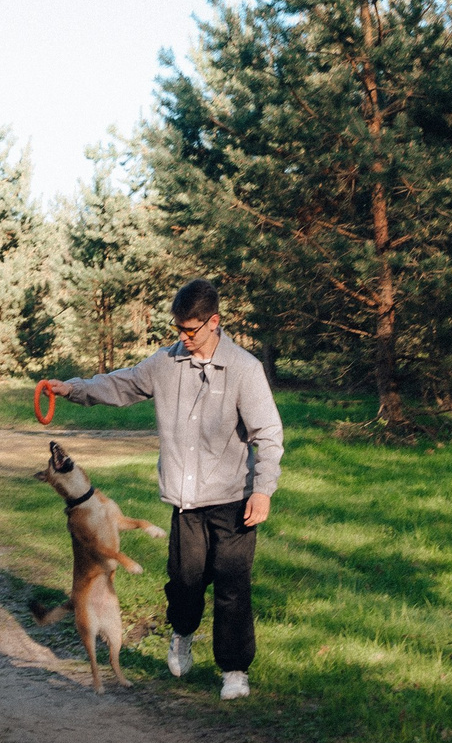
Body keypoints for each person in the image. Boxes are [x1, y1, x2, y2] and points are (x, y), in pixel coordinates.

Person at [51, 278, 283, 700]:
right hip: (186, 501)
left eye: (190, 330)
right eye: (178, 329)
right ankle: (182, 633)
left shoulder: (245, 369)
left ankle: (234, 670)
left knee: (233, 584)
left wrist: (263, 488)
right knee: (185, 581)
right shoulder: (166, 363)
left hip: (234, 498)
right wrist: (74, 389)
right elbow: (122, 384)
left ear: (214, 322)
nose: (183, 338)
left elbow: (267, 432)